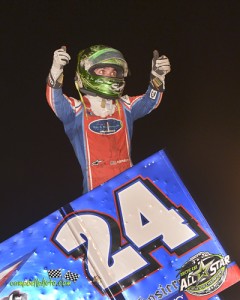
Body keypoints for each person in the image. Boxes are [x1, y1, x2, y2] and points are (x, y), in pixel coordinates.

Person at [46, 45, 171, 194]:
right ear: (87, 73)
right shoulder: (77, 110)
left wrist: (158, 76)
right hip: (97, 194)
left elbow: (150, 102)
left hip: (130, 186)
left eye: (113, 72)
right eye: (102, 71)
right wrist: (56, 70)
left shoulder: (124, 106)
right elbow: (56, 101)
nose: (110, 75)